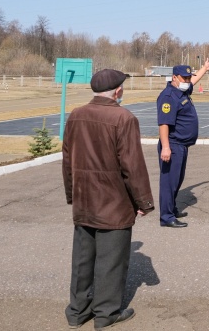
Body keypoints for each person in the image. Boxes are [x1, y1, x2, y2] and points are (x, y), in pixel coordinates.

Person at [62, 69, 154, 329]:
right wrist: (143, 202)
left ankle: (77, 311)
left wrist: (72, 194)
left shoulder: (76, 115)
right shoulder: (123, 118)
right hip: (113, 202)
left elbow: (67, 159)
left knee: (82, 258)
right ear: (118, 91)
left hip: (84, 199)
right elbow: (132, 166)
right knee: (111, 260)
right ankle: (106, 314)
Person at [157, 59, 209, 227]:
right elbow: (164, 124)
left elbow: (193, 80)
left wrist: (205, 68)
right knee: (169, 182)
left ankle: (172, 208)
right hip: (173, 144)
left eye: (187, 77)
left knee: (177, 179)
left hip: (182, 145)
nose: (187, 81)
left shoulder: (181, 91)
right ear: (174, 77)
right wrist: (166, 147)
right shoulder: (168, 97)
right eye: (184, 78)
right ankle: (166, 217)